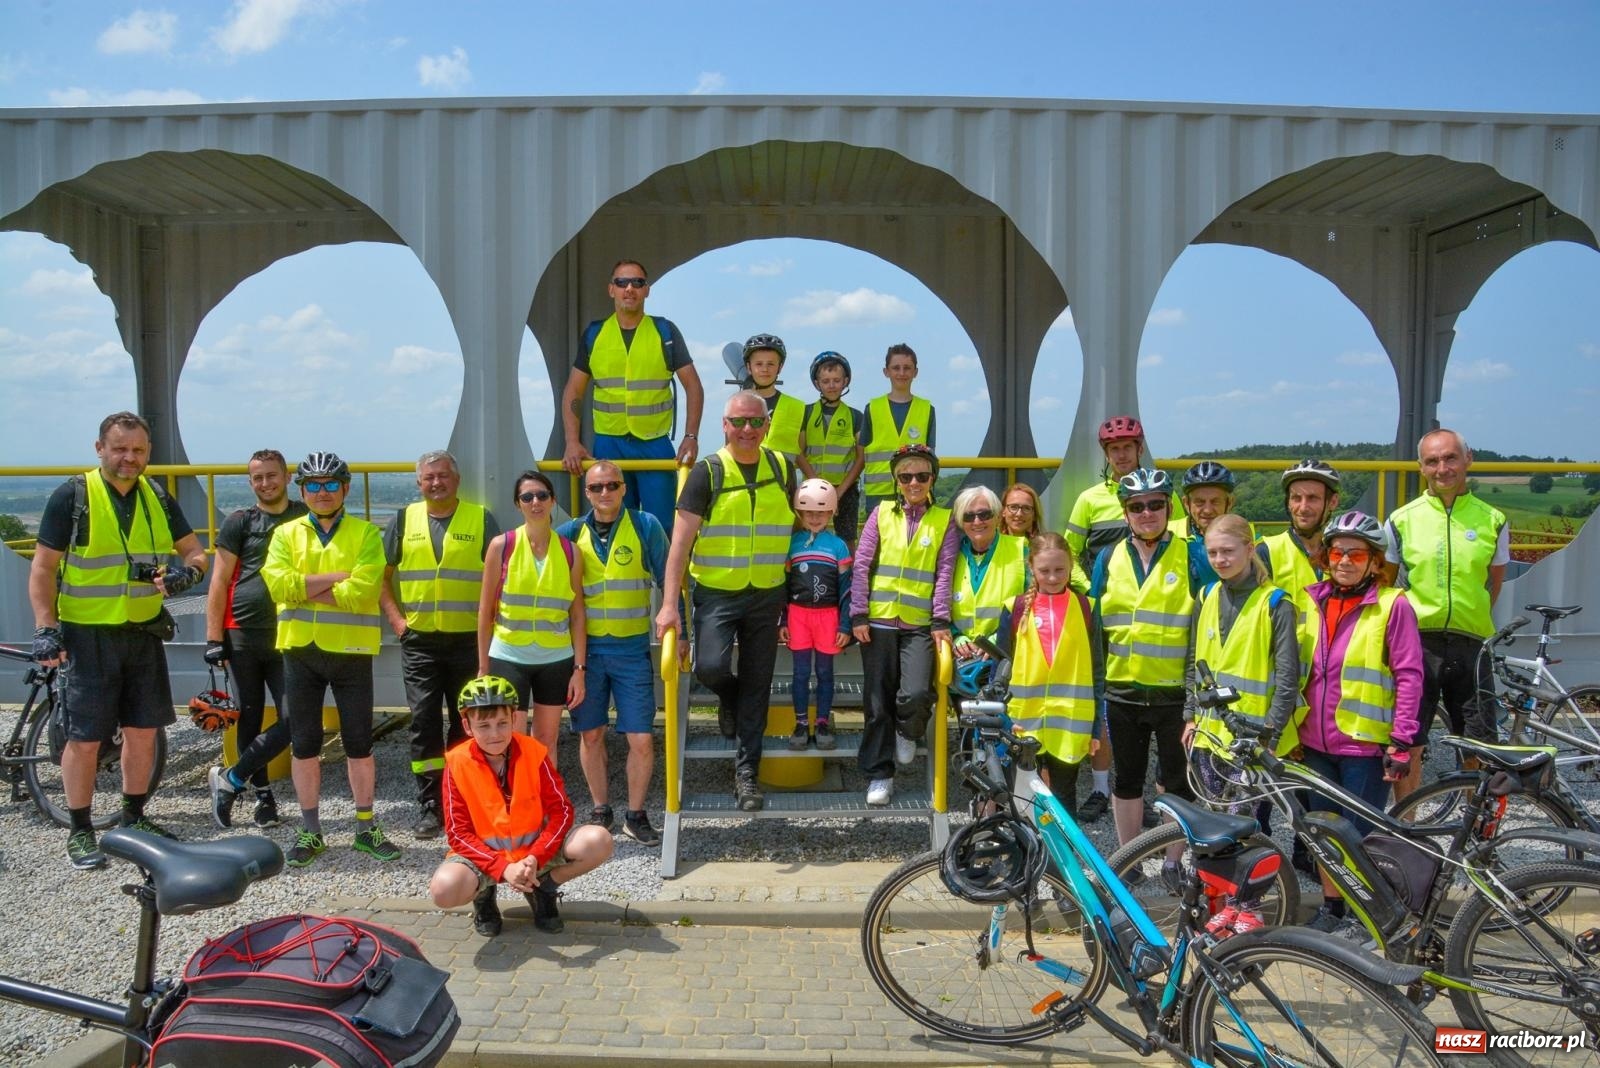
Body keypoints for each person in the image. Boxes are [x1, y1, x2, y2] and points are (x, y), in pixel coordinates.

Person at [28, 411, 208, 870]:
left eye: (139, 450)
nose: (129, 458)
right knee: (85, 739)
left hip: (142, 631)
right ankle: (81, 829)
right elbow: (44, 568)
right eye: (120, 449)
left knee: (143, 731)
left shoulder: (156, 497)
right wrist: (46, 629)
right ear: (100, 449)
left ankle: (134, 814)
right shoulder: (74, 496)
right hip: (88, 635)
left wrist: (187, 572)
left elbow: (195, 552)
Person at [656, 391, 798, 812]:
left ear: (767, 424)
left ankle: (747, 774)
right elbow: (678, 547)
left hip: (767, 593)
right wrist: (669, 606)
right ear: (724, 425)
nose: (748, 430)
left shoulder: (782, 469)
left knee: (758, 684)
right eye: (739, 422)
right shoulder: (707, 473)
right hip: (716, 594)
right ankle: (729, 699)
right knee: (711, 667)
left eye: (756, 422)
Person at [260, 451, 399, 868]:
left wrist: (305, 587)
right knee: (305, 745)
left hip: (351, 652)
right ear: (301, 489)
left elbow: (364, 593)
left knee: (359, 743)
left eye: (330, 484)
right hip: (301, 650)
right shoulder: (286, 534)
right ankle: (311, 830)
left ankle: (365, 827)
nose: (322, 493)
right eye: (313, 486)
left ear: (345, 488)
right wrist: (337, 579)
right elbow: (276, 586)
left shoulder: (366, 534)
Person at [1299, 511, 1423, 936]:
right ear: (1326, 557)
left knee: (1360, 839)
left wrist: (1402, 742)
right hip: (1315, 743)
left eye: (1357, 553)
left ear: (1374, 562)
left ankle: (1371, 916)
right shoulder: (1312, 601)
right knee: (1323, 834)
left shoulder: (1393, 605)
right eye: (1337, 551)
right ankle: (1334, 909)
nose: (1345, 560)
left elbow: (1409, 676)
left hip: (1364, 747)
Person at [429, 675, 613, 938]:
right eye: (484, 725)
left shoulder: (533, 753)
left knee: (599, 839)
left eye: (502, 723)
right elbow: (457, 833)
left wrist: (535, 858)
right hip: (485, 857)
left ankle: (543, 889)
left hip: (534, 855)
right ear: (467, 725)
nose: (495, 734)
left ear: (514, 719)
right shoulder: (457, 763)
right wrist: (502, 868)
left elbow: (562, 810)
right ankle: (483, 895)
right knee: (443, 890)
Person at [379, 450, 500, 839]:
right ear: (419, 483)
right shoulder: (403, 519)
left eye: (444, 475)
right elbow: (381, 576)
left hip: (468, 640)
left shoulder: (481, 519)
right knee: (424, 721)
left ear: (457, 479)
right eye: (429, 477)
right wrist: (397, 621)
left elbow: (498, 580)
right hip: (420, 642)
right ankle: (431, 803)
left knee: (467, 722)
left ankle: (462, 795)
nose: (436, 483)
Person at [1385, 428, 1509, 797]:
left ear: (1467, 459)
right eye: (1433, 461)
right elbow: (1388, 587)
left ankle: (1476, 837)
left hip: (1472, 645)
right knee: (1409, 745)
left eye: (1451, 457)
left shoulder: (1493, 519)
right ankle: (1408, 834)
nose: (1443, 468)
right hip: (1417, 646)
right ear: (1421, 467)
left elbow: (1493, 584)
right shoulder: (1401, 520)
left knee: (1478, 746)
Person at [556, 460, 673, 846]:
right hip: (586, 655)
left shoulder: (645, 526)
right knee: (591, 735)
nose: (604, 493)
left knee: (640, 737)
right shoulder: (570, 534)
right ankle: (600, 809)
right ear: (586, 492)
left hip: (631, 650)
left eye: (611, 485)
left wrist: (682, 632)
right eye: (595, 488)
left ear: (623, 488)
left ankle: (636, 815)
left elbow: (669, 582)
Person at [1088, 469, 1199, 860]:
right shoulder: (1108, 557)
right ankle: (1129, 860)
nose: (1146, 512)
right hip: (1123, 692)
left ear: (1170, 508)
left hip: (1174, 694)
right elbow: (1097, 625)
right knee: (1128, 779)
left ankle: (1173, 861)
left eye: (1155, 504)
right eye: (1137, 506)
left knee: (1175, 780)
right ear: (1125, 513)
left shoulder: (1192, 555)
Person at [204, 448, 308, 831]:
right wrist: (213, 638)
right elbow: (218, 580)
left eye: (271, 475)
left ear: (287, 477)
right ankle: (263, 797)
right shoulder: (239, 522)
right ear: (251, 483)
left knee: (293, 718)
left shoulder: (303, 515)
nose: (265, 483)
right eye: (258, 477)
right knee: (249, 715)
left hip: (289, 632)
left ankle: (229, 779)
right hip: (242, 632)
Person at [560, 259, 704, 532]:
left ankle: (661, 576)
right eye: (622, 282)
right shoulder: (595, 334)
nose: (629, 288)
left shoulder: (665, 332)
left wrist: (691, 436)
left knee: (660, 526)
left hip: (654, 444)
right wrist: (571, 441)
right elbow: (573, 389)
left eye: (637, 282)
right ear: (611, 289)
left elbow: (693, 385)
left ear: (647, 290)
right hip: (608, 444)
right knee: (609, 523)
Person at [851, 443, 959, 807]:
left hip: (918, 623)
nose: (914, 482)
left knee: (914, 692)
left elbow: (945, 572)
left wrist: (941, 619)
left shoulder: (944, 520)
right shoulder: (880, 513)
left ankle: (907, 730)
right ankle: (880, 774)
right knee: (878, 700)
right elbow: (863, 564)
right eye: (906, 476)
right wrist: (859, 613)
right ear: (896, 480)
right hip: (879, 620)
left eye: (922, 476)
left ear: (933, 479)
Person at [478, 471, 586, 762]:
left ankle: (544, 803)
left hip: (555, 659)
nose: (535, 501)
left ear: (553, 500)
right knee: (511, 740)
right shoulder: (502, 546)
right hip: (509, 655)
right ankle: (515, 804)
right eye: (527, 497)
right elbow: (485, 611)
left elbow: (577, 615)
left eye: (542, 495)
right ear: (518, 504)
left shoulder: (570, 552)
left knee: (546, 740)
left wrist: (579, 669)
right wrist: (483, 666)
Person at [995, 533, 1105, 818]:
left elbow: (1096, 671)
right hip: (1022, 720)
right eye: (1045, 571)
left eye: (1060, 570)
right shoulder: (1015, 607)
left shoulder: (1086, 607)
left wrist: (1095, 729)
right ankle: (1027, 856)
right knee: (1022, 797)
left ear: (1071, 567)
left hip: (1070, 723)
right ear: (1031, 567)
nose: (1053, 577)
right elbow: (1001, 665)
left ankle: (1060, 860)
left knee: (1064, 797)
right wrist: (1002, 718)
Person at [781, 479, 852, 751]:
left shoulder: (838, 547)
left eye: (821, 512)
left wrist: (845, 624)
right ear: (799, 512)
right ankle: (800, 724)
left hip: (828, 617)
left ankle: (821, 722)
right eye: (808, 512)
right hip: (798, 616)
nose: (814, 517)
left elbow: (846, 589)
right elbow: (784, 586)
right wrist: (782, 620)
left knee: (824, 672)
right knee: (799, 674)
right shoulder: (792, 544)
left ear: (831, 512)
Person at [1066, 415, 1173, 578]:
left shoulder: (1163, 494)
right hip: (1106, 596)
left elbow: (1181, 544)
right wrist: (1089, 590)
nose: (1121, 455)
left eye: (1127, 447)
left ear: (1140, 450)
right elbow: (1069, 552)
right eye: (1114, 449)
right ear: (1106, 455)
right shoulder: (1088, 499)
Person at [796, 351, 865, 545]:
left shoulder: (855, 416)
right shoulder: (806, 413)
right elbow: (798, 452)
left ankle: (848, 575)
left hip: (846, 489)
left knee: (847, 538)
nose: (832, 386)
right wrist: (817, 483)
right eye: (825, 381)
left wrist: (840, 490)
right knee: (810, 533)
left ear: (845, 381)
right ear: (817, 383)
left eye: (836, 380)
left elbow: (861, 458)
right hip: (813, 486)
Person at [859, 344, 936, 515]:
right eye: (896, 368)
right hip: (879, 494)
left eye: (907, 368)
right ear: (886, 371)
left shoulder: (927, 409)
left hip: (915, 490)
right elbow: (860, 455)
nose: (902, 373)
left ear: (915, 372)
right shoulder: (872, 408)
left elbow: (930, 456)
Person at [1175, 461, 1246, 587]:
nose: (1207, 510)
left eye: (1215, 502)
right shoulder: (1169, 535)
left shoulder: (1247, 537)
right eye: (1200, 502)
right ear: (1186, 504)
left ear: (1229, 503)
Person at [741, 333, 805, 464]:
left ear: (780, 367)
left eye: (770, 364)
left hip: (785, 482)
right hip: (745, 482)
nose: (765, 369)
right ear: (749, 367)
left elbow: (800, 453)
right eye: (759, 364)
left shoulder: (797, 407)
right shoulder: (738, 406)